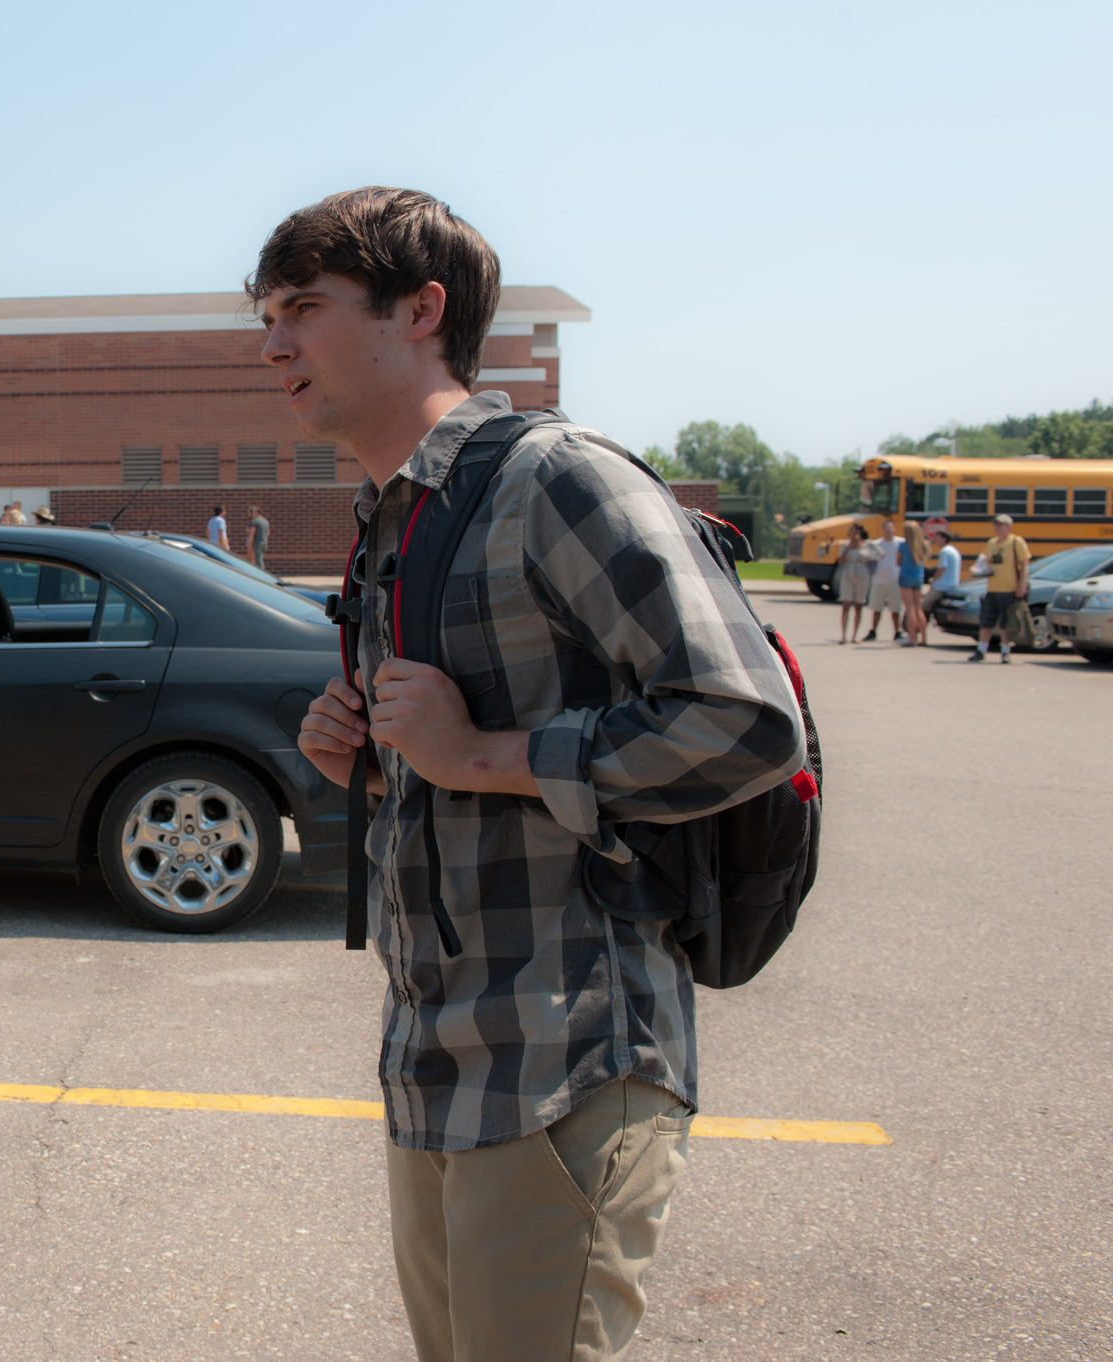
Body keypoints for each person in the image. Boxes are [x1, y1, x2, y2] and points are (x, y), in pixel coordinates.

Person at [277, 188, 803, 1362]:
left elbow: (745, 721)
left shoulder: (556, 479)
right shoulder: (394, 518)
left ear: (421, 311)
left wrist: (484, 754)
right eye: (269, 313)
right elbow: (452, 772)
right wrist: (371, 756)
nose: (273, 343)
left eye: (304, 308)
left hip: (566, 1060)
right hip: (435, 1060)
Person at [970, 512, 1032, 662]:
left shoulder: (1016, 542)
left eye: (1001, 525)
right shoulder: (991, 543)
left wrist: (1021, 585)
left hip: (1009, 588)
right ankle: (981, 649)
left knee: (1006, 623)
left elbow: (1024, 564)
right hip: (992, 588)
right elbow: (984, 561)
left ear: (1009, 527)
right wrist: (976, 569)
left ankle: (1005, 651)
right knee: (986, 621)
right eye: (996, 525)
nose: (998, 528)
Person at [917, 523, 959, 648]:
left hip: (942, 586)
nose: (934, 539)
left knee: (922, 609)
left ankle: (918, 635)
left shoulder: (944, 552)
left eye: (937, 537)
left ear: (943, 538)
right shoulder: (953, 550)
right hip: (951, 585)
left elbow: (941, 569)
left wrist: (932, 581)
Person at [863, 518, 905, 642]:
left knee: (895, 609)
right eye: (886, 529)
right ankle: (873, 631)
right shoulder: (876, 544)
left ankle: (897, 631)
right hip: (878, 580)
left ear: (895, 529)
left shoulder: (900, 543)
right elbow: (868, 559)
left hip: (894, 580)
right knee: (876, 608)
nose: (888, 532)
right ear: (883, 530)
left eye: (890, 529)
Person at [836, 524, 876, 644]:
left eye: (852, 530)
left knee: (859, 606)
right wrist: (849, 548)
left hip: (862, 575)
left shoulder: (867, 544)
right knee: (846, 604)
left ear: (858, 531)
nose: (850, 532)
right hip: (848, 575)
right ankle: (843, 635)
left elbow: (877, 556)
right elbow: (840, 560)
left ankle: (854, 635)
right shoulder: (845, 544)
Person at [897, 521, 929, 646]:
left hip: (905, 576)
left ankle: (912, 638)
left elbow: (898, 561)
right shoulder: (923, 545)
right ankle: (924, 638)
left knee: (909, 609)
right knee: (918, 608)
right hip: (918, 577)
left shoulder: (904, 545)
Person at [246, 504, 271, 570]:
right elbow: (268, 533)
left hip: (257, 543)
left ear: (257, 513)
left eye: (254, 512)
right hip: (264, 542)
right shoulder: (266, 521)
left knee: (258, 561)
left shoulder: (255, 521)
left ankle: (262, 575)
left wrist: (250, 544)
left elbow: (252, 534)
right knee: (260, 558)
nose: (253, 514)